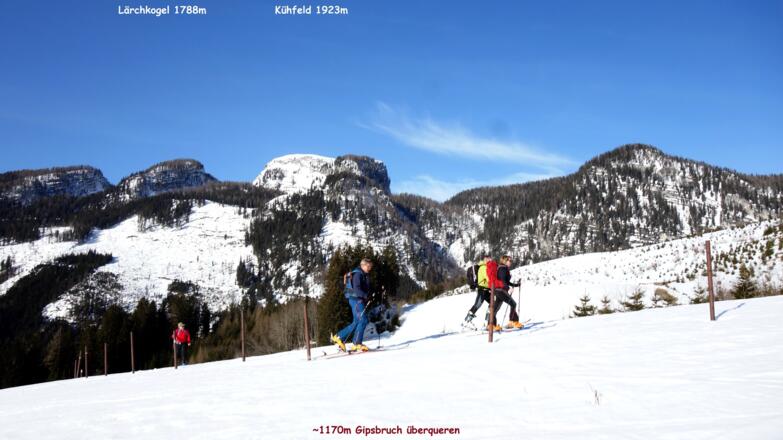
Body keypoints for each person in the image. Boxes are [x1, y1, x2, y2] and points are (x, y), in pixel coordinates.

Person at [331, 258, 373, 352]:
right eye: (369, 266)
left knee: (356, 322)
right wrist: (366, 296)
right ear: (363, 265)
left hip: (355, 300)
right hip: (356, 300)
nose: (370, 268)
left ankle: (338, 337)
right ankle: (357, 343)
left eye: (371, 266)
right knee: (363, 320)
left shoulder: (361, 274)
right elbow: (357, 289)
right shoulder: (358, 274)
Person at [493, 255, 523, 329]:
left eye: (511, 261)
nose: (511, 262)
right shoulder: (503, 268)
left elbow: (506, 281)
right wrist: (508, 288)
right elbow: (503, 281)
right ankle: (513, 321)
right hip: (501, 290)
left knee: (495, 308)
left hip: (498, 290)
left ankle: (491, 325)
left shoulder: (503, 268)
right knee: (513, 304)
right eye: (509, 260)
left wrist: (515, 285)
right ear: (505, 261)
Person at [463, 255, 492, 327]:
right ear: (485, 260)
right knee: (477, 305)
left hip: (486, 290)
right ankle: (466, 322)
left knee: (492, 303)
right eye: (489, 259)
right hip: (482, 290)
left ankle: (487, 321)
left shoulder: (485, 267)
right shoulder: (483, 267)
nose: (490, 261)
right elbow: (488, 279)